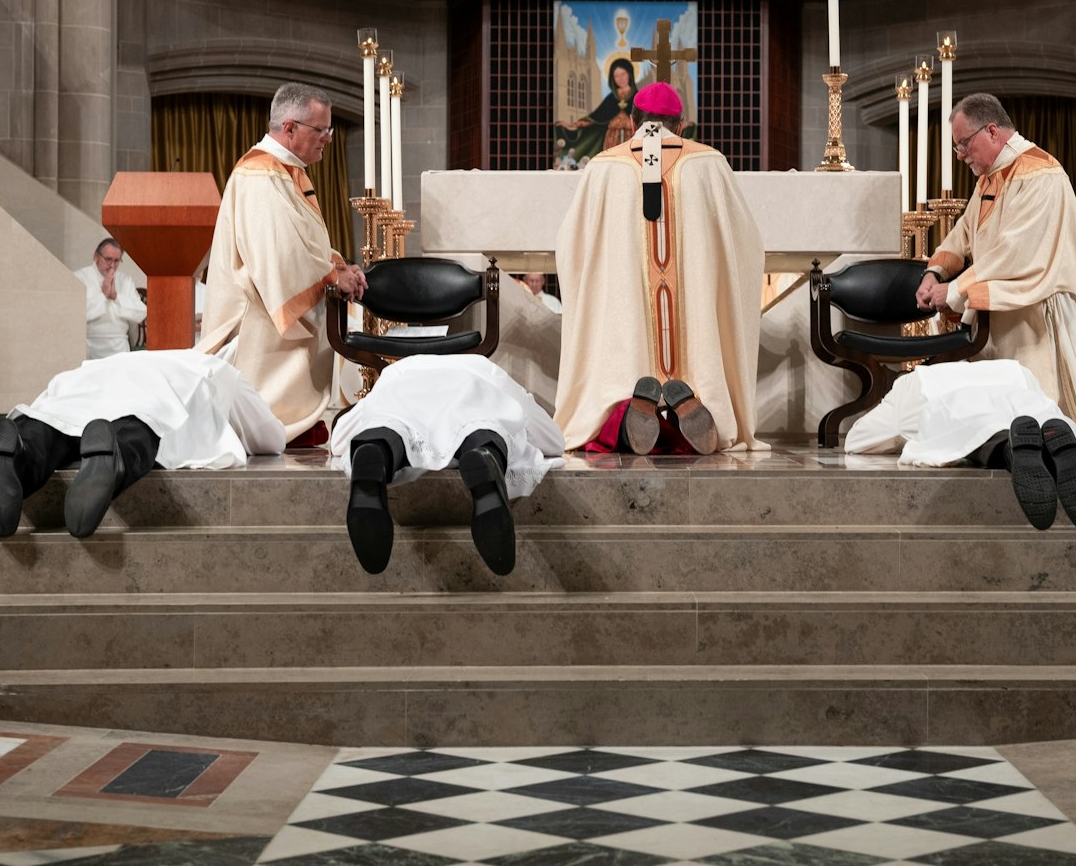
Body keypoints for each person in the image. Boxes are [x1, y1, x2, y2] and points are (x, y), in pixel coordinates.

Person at [555, 81, 764, 454]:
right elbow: (745, 242)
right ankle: (699, 408)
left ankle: (627, 412)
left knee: (610, 395)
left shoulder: (603, 167)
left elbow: (572, 246)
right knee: (701, 369)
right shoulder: (709, 162)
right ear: (680, 124)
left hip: (626, 315)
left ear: (635, 120)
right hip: (693, 314)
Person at [916, 93, 1076, 439]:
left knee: (1043, 420)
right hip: (1002, 313)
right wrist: (935, 273)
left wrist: (956, 289)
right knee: (999, 422)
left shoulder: (1041, 174)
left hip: (1038, 320)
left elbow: (1015, 251)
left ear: (991, 131)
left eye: (964, 145)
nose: (960, 156)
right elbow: (963, 233)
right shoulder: (991, 176)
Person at [198, 83, 367, 446]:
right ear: (289, 128)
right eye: (321, 130)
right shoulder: (260, 175)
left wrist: (339, 265)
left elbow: (307, 242)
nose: (328, 139)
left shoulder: (284, 170)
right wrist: (332, 276)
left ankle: (294, 423)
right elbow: (278, 254)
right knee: (260, 418)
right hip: (254, 323)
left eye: (329, 130)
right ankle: (275, 425)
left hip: (270, 324)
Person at [0, 349, 283, 539]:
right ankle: (112, 460)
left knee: (52, 425)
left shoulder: (116, 360)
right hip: (151, 398)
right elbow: (269, 436)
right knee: (136, 430)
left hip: (80, 386)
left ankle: (16, 453)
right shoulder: (214, 365)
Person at [331, 354, 565, 577]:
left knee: (391, 425)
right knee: (483, 427)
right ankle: (484, 454)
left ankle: (377, 451)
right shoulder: (486, 368)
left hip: (401, 396)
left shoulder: (395, 372)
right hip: (471, 395)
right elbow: (552, 439)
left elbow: (340, 437)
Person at [846, 360, 1076, 530]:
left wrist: (889, 402)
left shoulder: (913, 382)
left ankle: (1010, 450)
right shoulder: (1016, 368)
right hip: (1019, 388)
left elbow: (858, 440)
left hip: (946, 399)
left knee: (969, 430)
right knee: (1040, 415)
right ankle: (1053, 440)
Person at [557, 57, 638, 168]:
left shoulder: (638, 97)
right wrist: (571, 125)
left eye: (623, 74)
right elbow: (596, 117)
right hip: (612, 139)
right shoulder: (611, 98)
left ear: (630, 74)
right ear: (612, 78)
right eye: (616, 76)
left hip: (632, 138)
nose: (620, 78)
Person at [75, 237, 147, 359]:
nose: (112, 265)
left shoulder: (125, 280)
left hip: (119, 345)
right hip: (91, 345)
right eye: (108, 260)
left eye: (116, 261)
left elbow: (142, 312)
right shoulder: (80, 277)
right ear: (96, 256)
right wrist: (103, 295)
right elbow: (78, 313)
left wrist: (116, 297)